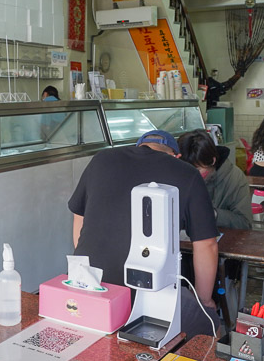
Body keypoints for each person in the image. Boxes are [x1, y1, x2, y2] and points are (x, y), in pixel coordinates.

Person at [69, 129, 220, 339]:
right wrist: (205, 302)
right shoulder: (187, 173)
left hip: (86, 286)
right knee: (210, 322)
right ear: (176, 156)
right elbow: (207, 245)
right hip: (143, 300)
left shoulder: (101, 159)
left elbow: (80, 219)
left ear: (139, 146)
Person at [178, 129, 252, 230]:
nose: (189, 175)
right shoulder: (177, 173)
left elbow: (245, 224)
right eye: (185, 169)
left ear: (212, 161)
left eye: (197, 169)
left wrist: (214, 214)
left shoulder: (234, 178)